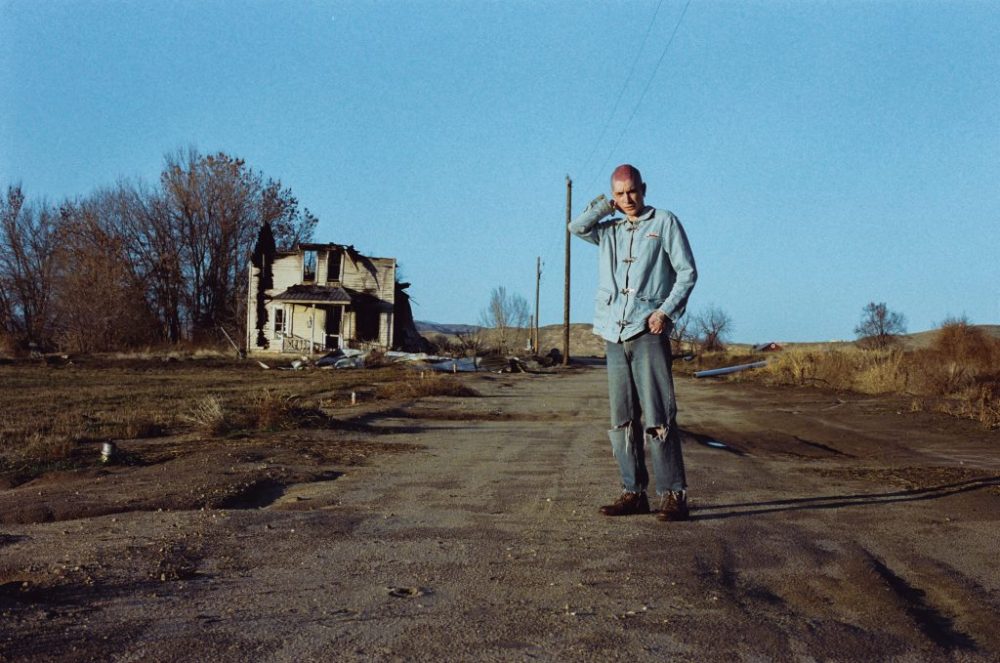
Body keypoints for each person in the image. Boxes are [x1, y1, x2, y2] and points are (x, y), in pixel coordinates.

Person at [568, 164, 697, 521]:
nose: (628, 199)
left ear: (644, 187)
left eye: (633, 191)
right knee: (621, 419)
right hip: (614, 332)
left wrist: (666, 312)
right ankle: (633, 492)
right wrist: (603, 208)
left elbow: (687, 273)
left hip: (648, 332)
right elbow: (576, 227)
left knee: (658, 416)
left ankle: (673, 495)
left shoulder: (664, 222)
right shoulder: (608, 231)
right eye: (620, 194)